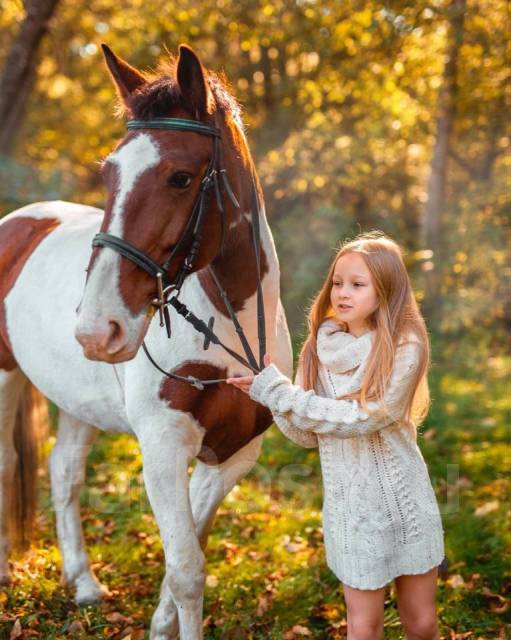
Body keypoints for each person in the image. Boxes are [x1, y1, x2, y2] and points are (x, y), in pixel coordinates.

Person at [227, 231, 445, 640]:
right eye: (338, 282)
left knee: (422, 623)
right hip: (352, 511)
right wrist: (275, 400)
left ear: (387, 291)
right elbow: (307, 435)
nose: (343, 293)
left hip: (406, 505)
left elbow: (368, 417)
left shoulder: (405, 343)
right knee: (363, 628)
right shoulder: (317, 348)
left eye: (358, 285)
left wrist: (283, 394)